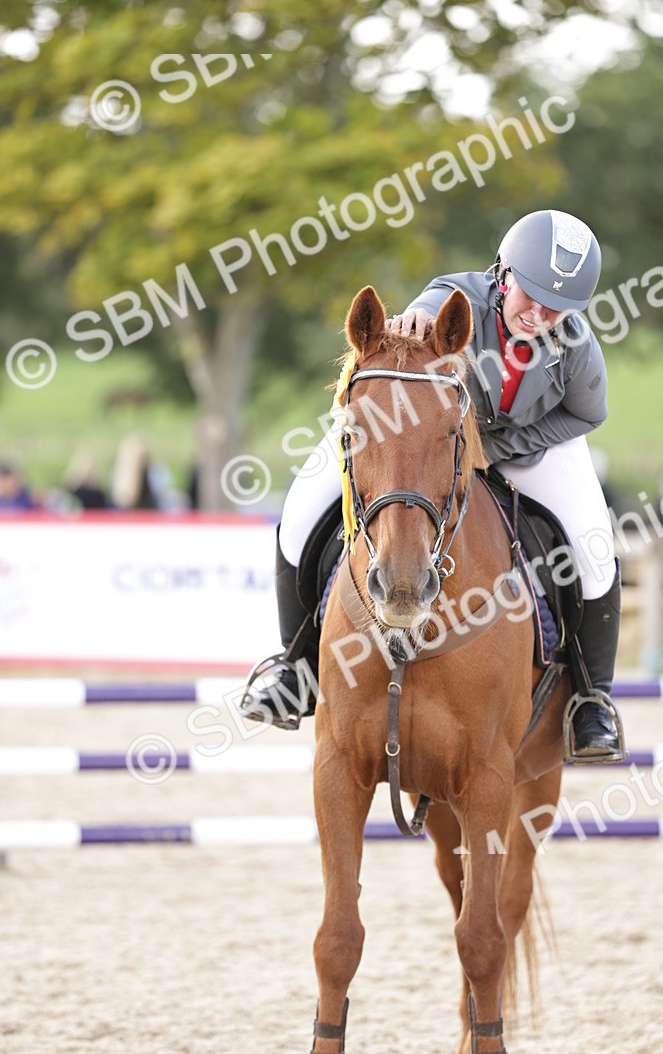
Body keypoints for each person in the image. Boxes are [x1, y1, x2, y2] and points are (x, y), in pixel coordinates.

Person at [243, 209, 624, 759]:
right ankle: (293, 666)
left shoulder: (577, 348)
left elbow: (587, 416)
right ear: (504, 274)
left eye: (556, 306)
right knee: (303, 509)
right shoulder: (452, 297)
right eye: (530, 295)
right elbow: (420, 324)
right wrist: (411, 323)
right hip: (415, 437)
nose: (539, 313)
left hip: (525, 446)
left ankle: (592, 700)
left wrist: (497, 450)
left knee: (595, 545)